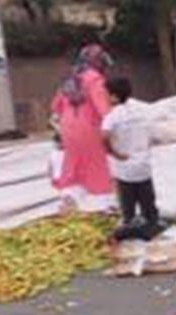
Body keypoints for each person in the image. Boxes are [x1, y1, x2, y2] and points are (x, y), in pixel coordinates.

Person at [50, 43, 115, 212]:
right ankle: (103, 208)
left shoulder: (71, 78)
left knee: (73, 165)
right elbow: (104, 110)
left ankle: (69, 199)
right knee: (96, 167)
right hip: (89, 129)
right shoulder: (95, 79)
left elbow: (55, 106)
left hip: (68, 130)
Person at [100, 77, 162, 241]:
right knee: (148, 201)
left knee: (128, 205)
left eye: (105, 94)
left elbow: (104, 137)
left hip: (125, 168)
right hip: (143, 165)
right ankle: (152, 227)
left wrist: (114, 153)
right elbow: (154, 131)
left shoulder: (113, 116)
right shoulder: (142, 109)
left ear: (114, 96)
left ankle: (131, 230)